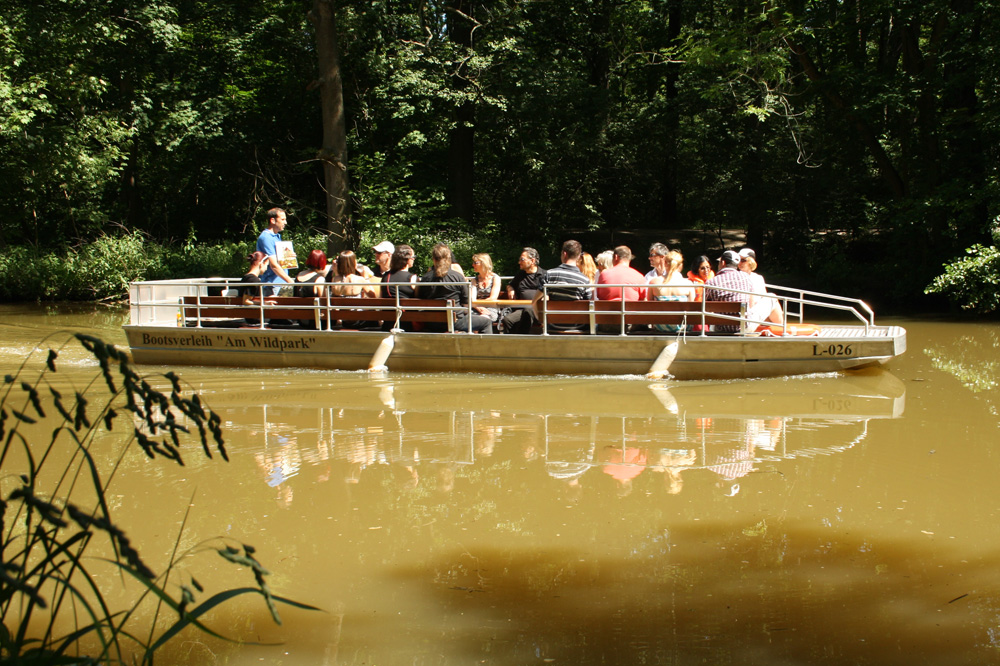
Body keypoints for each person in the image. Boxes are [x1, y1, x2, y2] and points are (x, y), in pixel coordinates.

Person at [417, 243, 492, 334]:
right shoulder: (457, 277)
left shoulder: (425, 278)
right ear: (449, 259)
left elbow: (420, 298)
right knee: (486, 322)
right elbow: (466, 301)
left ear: (433, 259)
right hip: (455, 321)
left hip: (432, 323)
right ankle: (485, 348)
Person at [533, 240, 591, 331]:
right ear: (579, 257)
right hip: (577, 327)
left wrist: (541, 320)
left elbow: (535, 301)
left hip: (553, 326)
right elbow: (588, 304)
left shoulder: (549, 274)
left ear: (564, 254)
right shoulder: (584, 280)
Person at [704, 250, 755, 333]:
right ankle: (781, 332)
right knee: (771, 299)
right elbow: (751, 302)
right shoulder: (746, 277)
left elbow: (705, 306)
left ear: (723, 263)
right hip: (744, 327)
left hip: (721, 328)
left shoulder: (711, 282)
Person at [501, 247, 547, 334]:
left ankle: (521, 341)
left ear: (532, 261)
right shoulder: (520, 275)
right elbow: (510, 284)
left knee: (528, 311)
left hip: (539, 310)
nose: (519, 262)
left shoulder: (544, 275)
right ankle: (511, 344)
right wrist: (510, 288)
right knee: (507, 320)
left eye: (522, 259)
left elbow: (550, 292)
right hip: (521, 309)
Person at [647, 250, 693, 332]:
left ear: (664, 263)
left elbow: (650, 305)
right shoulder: (688, 284)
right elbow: (691, 308)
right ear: (680, 266)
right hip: (682, 327)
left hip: (660, 326)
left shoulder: (654, 282)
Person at [330, 250, 377, 328]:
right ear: (353, 263)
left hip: (344, 321)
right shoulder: (360, 279)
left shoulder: (334, 280)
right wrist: (366, 278)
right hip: (358, 320)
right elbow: (373, 296)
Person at [739, 248, 783, 325]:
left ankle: (779, 328)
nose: (740, 263)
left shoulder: (758, 278)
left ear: (750, 262)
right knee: (772, 298)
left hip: (756, 313)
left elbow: (763, 297)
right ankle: (781, 328)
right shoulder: (736, 277)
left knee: (771, 299)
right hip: (747, 314)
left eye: (743, 260)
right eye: (738, 260)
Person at [256, 208, 294, 295]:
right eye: (282, 219)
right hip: (271, 285)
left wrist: (289, 257)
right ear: (273, 220)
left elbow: (279, 260)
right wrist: (289, 281)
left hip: (280, 283)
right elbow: (273, 265)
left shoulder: (276, 236)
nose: (285, 222)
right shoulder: (266, 237)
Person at [239, 251, 275, 327]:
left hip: (251, 315)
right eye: (266, 265)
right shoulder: (253, 280)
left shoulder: (246, 277)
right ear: (261, 264)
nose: (266, 269)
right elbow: (246, 301)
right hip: (255, 318)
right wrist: (264, 303)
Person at [470, 253, 502, 324]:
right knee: (470, 319)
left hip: (491, 308)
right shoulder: (474, 280)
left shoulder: (495, 278)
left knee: (481, 319)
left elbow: (492, 298)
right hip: (476, 308)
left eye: (475, 263)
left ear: (484, 263)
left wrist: (481, 307)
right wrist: (480, 308)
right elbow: (472, 299)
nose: (473, 265)